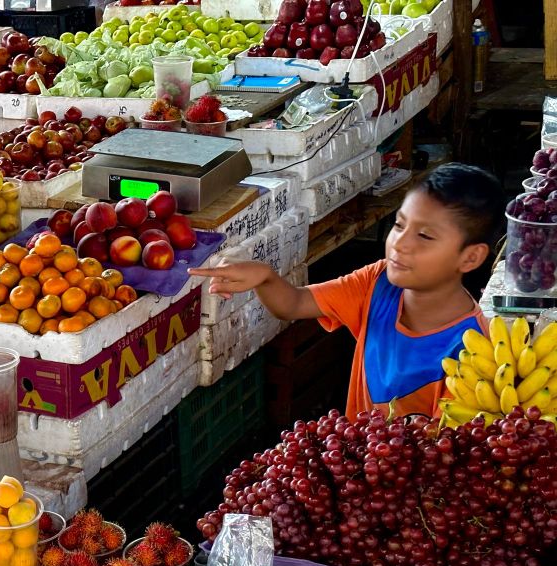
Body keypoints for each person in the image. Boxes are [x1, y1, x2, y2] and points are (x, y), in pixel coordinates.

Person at [189, 162, 506, 418]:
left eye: (425, 236)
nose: (400, 244)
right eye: (399, 225)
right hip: (355, 465)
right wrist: (265, 278)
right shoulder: (377, 282)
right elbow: (295, 304)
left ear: (471, 257)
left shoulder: (473, 354)